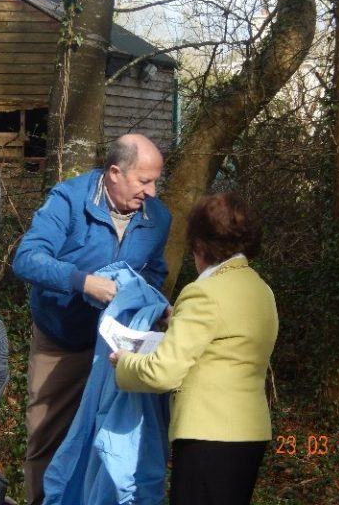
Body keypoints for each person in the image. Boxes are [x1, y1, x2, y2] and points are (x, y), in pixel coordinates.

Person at [12, 133, 172, 505]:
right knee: (47, 437)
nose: (152, 191)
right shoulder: (68, 200)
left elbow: (154, 272)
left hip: (119, 348)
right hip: (63, 341)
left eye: (156, 181)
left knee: (111, 439)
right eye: (144, 181)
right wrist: (82, 282)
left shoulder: (158, 217)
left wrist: (152, 305)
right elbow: (27, 258)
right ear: (114, 172)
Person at [111, 192, 279, 505]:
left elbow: (163, 373)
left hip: (209, 435)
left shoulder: (203, 292)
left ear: (200, 243)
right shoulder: (261, 288)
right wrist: (178, 319)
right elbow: (229, 337)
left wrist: (124, 363)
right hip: (251, 433)